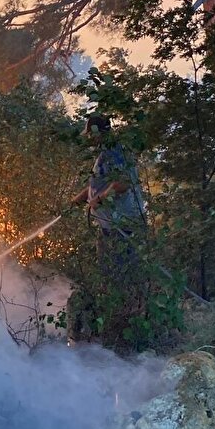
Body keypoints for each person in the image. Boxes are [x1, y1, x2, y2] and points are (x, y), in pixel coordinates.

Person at [66, 114, 147, 343]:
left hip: (124, 228)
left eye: (90, 135)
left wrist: (100, 199)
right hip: (109, 227)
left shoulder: (115, 151)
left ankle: (123, 329)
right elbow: (98, 184)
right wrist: (80, 199)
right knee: (107, 275)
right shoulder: (104, 154)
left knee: (120, 277)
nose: (88, 140)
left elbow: (122, 183)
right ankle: (111, 322)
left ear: (98, 133)